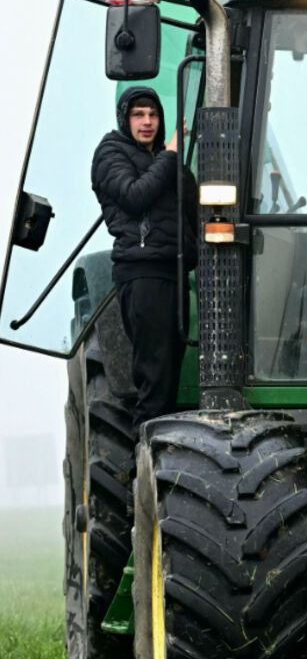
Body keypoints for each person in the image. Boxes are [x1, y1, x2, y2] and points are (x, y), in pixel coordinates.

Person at [91, 86, 197, 429]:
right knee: (154, 373)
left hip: (173, 271)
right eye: (138, 114)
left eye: (153, 115)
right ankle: (146, 457)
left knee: (169, 373)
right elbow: (135, 197)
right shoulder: (110, 152)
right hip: (142, 273)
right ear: (125, 119)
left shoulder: (164, 161)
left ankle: (161, 444)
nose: (147, 121)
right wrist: (169, 156)